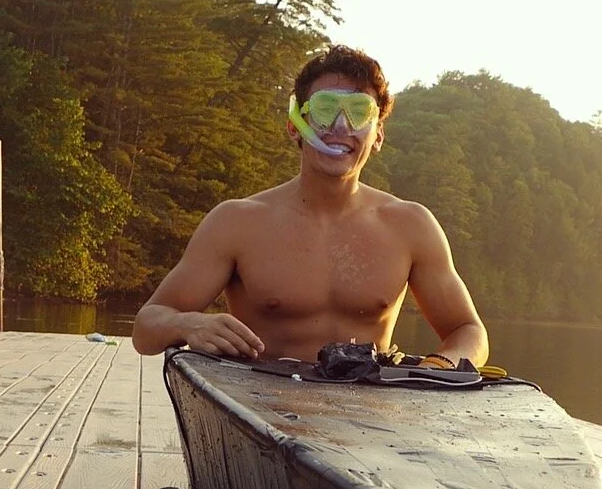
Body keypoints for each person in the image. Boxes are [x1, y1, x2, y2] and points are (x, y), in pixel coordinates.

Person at [132, 45, 488, 370]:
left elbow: (468, 331)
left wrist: (438, 366)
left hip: (367, 408)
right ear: (294, 127)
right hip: (263, 403)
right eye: (325, 109)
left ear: (377, 135)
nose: (340, 126)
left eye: (359, 112)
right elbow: (146, 328)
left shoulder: (410, 225)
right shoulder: (237, 222)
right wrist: (189, 324)